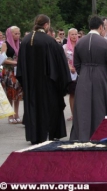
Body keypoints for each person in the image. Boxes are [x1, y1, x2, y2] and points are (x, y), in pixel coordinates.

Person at [16, 14, 71, 144]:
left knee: (33, 107)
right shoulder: (49, 41)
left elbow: (20, 68)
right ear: (46, 25)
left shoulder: (25, 41)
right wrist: (62, 83)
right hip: (47, 84)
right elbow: (59, 66)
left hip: (30, 84)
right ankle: (51, 132)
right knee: (49, 108)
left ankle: (34, 135)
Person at [70, 16, 107, 141]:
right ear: (101, 27)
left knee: (83, 106)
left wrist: (84, 72)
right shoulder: (106, 43)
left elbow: (76, 64)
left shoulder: (79, 43)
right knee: (100, 106)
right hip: (101, 77)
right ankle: (101, 134)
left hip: (84, 76)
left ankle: (83, 135)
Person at [2, 26, 23, 124]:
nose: (17, 35)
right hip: (9, 71)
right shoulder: (5, 44)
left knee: (18, 92)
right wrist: (14, 62)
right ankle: (10, 115)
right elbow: (2, 59)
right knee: (10, 92)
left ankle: (17, 113)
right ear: (10, 34)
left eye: (19, 33)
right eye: (15, 33)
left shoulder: (20, 43)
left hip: (18, 71)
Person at [62, 28, 79, 121]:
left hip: (79, 71)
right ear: (69, 35)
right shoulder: (65, 47)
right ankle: (73, 114)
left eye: (76, 34)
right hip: (70, 72)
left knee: (79, 94)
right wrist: (69, 67)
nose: (74, 36)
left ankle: (79, 114)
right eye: (72, 34)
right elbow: (63, 60)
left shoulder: (80, 45)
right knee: (72, 94)